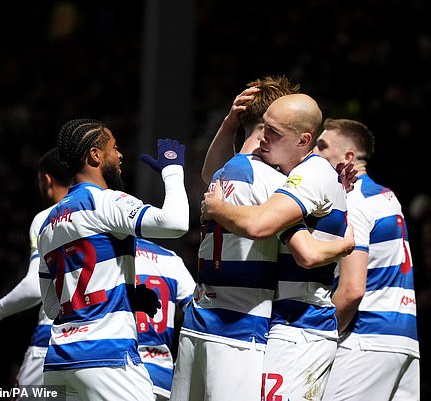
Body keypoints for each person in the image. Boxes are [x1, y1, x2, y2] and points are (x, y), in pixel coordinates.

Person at [171, 79, 353, 401]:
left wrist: (216, 206)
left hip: (293, 327)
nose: (264, 140)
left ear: (302, 139)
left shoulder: (292, 176)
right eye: (264, 129)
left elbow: (291, 244)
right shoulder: (272, 177)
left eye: (275, 132)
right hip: (258, 325)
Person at [37, 118, 190, 401]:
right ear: (95, 155)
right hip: (106, 357)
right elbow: (176, 223)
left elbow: (51, 306)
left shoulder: (48, 223)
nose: (119, 155)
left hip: (59, 360)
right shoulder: (104, 201)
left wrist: (126, 295)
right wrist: (173, 171)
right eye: (113, 148)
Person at [315, 118, 420, 401]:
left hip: (367, 339)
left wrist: (319, 340)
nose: (315, 153)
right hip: (404, 341)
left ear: (348, 157)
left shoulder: (355, 201)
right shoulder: (386, 196)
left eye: (322, 146)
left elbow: (351, 290)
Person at [0, 147, 73, 392]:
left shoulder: (48, 218)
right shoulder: (101, 214)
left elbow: (35, 287)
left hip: (52, 340)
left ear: (47, 179)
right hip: (98, 344)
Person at [134, 237, 195, 401]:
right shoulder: (170, 258)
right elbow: (196, 311)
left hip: (117, 372)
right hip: (162, 376)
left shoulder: (103, 253)